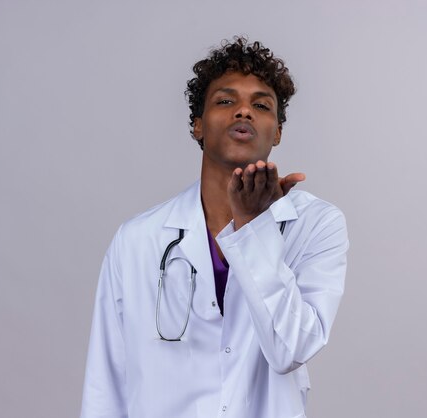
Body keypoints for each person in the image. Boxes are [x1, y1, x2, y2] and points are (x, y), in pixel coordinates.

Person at [80, 36, 349, 418]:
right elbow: (105, 383)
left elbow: (291, 349)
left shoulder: (317, 224)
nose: (244, 112)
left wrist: (254, 226)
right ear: (197, 126)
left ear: (277, 133)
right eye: (225, 101)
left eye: (261, 105)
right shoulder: (137, 239)